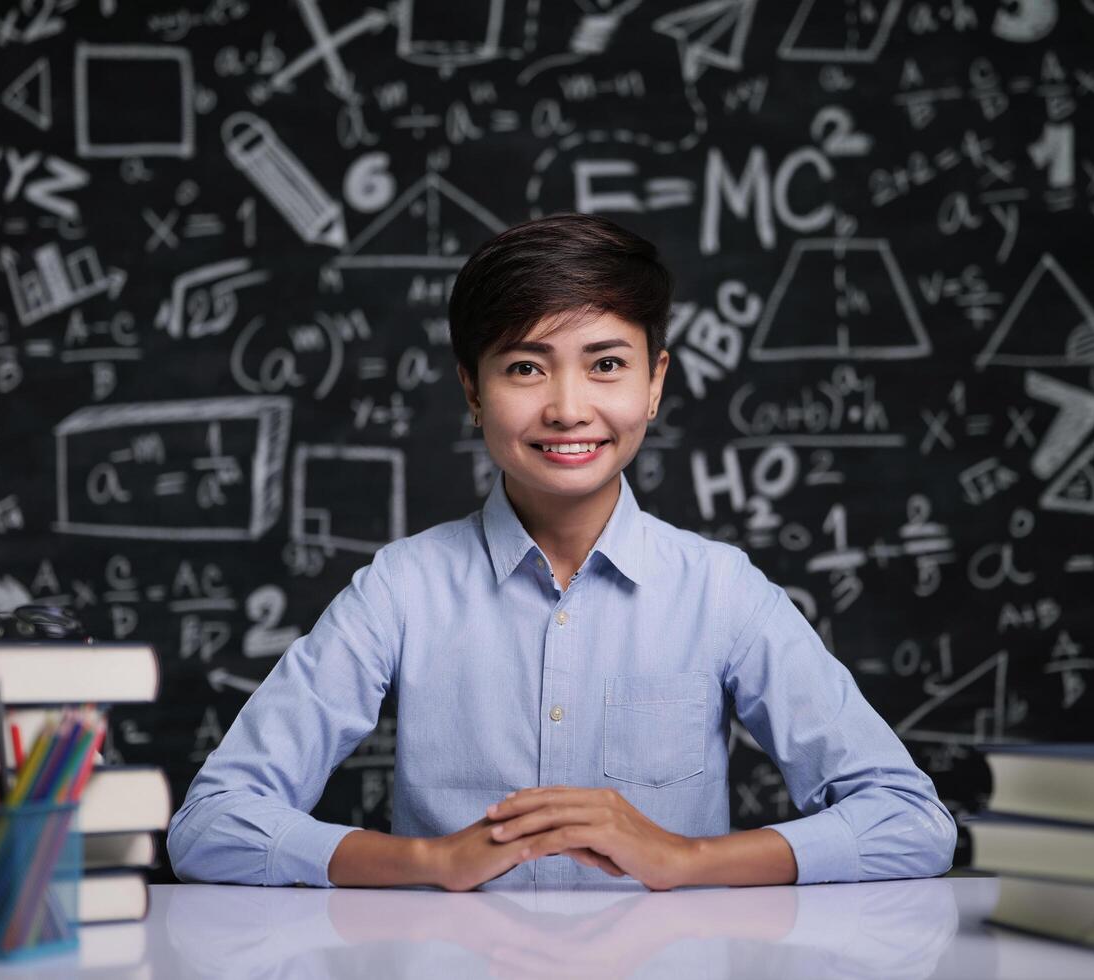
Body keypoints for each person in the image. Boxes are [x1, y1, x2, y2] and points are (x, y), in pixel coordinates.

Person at [167, 213, 956, 891]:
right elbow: (210, 824)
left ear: (654, 383)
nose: (568, 408)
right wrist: (429, 860)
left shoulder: (721, 591)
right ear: (473, 391)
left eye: (606, 364)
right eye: (524, 367)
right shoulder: (399, 589)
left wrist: (685, 858)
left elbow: (911, 822)